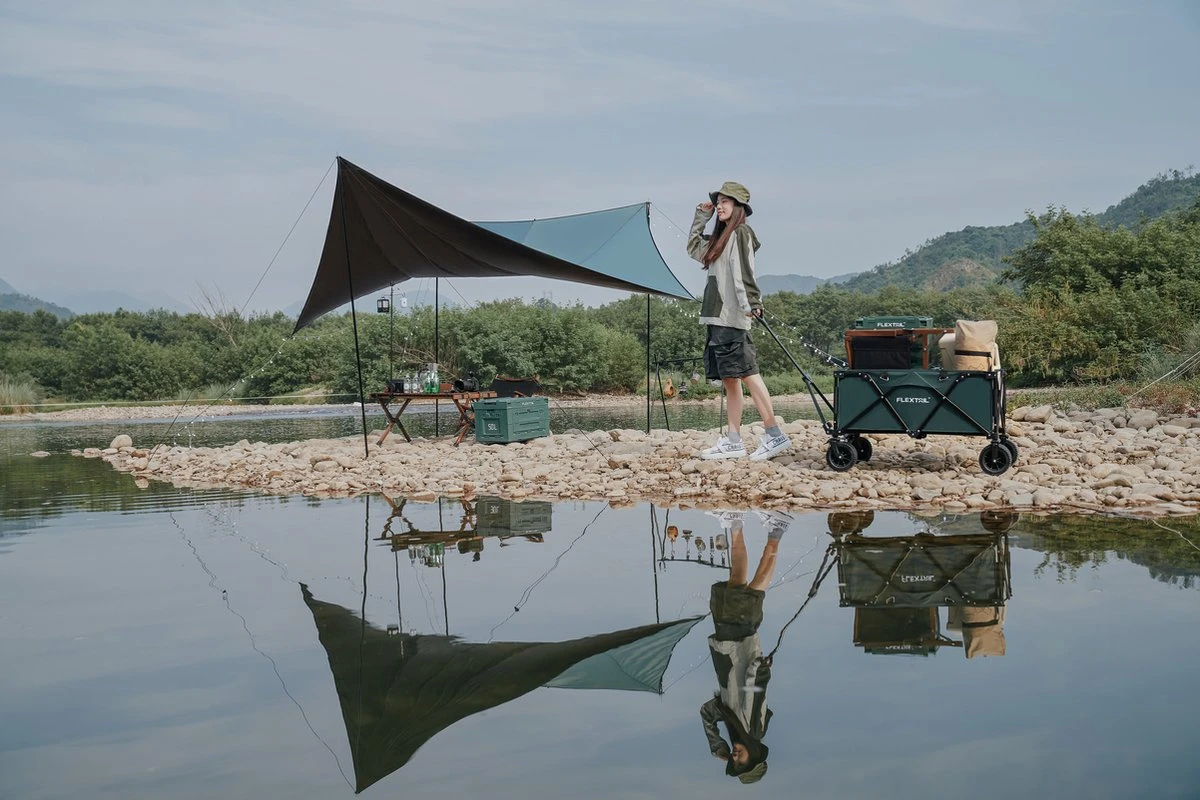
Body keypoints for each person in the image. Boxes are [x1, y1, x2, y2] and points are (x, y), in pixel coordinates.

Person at [687, 181, 791, 461]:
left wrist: (752, 304)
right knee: (730, 379)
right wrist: (702, 215)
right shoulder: (720, 240)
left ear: (739, 207)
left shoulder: (741, 233)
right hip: (716, 319)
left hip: (732, 318)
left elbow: (745, 272)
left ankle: (774, 434)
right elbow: (693, 247)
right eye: (718, 201)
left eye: (725, 202)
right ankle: (733, 441)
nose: (719, 206)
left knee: (748, 374)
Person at [699, 509, 792, 784]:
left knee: (739, 584)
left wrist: (717, 745)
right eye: (742, 761)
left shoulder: (734, 725)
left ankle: (739, 523)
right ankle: (775, 529)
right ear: (754, 755)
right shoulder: (754, 730)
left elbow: (706, 713)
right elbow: (756, 692)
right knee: (752, 588)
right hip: (739, 644)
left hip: (728, 644)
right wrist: (760, 667)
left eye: (734, 761)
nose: (736, 757)